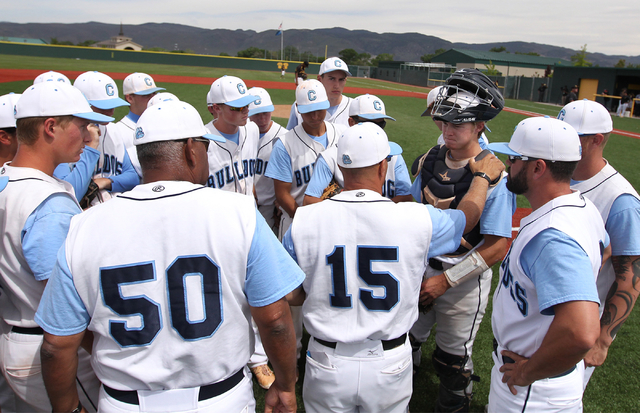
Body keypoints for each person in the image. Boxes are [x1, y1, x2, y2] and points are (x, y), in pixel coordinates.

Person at [35, 100, 303, 413]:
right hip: (219, 400)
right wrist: (285, 386)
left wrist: (67, 408)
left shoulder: (84, 224)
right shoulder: (238, 212)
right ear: (192, 149)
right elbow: (274, 321)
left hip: (125, 403)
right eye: (206, 147)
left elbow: (56, 345)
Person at [283, 122, 505, 413]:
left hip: (327, 362)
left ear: (340, 166)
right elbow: (468, 217)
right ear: (382, 168)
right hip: (388, 363)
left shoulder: (304, 220)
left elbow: (289, 294)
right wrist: (481, 178)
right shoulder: (416, 218)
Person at [0, 81, 113, 412]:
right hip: (52, 349)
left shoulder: (8, 178)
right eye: (80, 126)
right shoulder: (47, 201)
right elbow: (64, 298)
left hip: (17, 332)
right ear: (50, 127)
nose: (89, 135)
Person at [409, 68, 513, 412]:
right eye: (444, 122)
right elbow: (411, 207)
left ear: (479, 124)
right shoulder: (431, 158)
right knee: (405, 339)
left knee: (452, 360)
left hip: (463, 278)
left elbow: (498, 245)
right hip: (421, 269)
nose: (448, 130)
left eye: (458, 124)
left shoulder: (493, 174)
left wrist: (445, 281)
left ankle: (454, 403)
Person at [487, 116, 608, 412]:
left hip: (533, 389)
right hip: (539, 381)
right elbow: (605, 249)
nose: (507, 164)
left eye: (514, 158)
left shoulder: (553, 237)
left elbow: (581, 332)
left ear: (538, 168)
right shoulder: (580, 205)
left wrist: (528, 373)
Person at [557, 99, 640, 389]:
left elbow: (630, 276)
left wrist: (603, 339)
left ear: (597, 140)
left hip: (579, 322)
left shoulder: (620, 200)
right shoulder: (562, 174)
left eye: (571, 134)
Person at [266, 79, 347, 240]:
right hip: (296, 224)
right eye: (308, 110)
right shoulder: (284, 144)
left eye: (319, 109)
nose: (315, 116)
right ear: (298, 108)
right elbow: (282, 194)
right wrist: (307, 221)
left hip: (340, 223)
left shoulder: (343, 133)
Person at [303, 94, 413, 204]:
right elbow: (309, 200)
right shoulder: (329, 157)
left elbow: (406, 197)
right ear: (351, 122)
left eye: (380, 124)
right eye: (369, 123)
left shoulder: (394, 154)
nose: (374, 129)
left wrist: (372, 213)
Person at [72, 71, 140, 203]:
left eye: (112, 104)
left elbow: (132, 177)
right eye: (103, 107)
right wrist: (91, 149)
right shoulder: (65, 137)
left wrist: (104, 182)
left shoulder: (113, 130)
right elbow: (73, 191)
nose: (111, 111)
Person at [204, 75, 260, 195]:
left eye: (247, 104)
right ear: (217, 108)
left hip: (249, 210)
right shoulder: (202, 141)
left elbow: (250, 179)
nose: (246, 110)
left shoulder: (252, 130)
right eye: (238, 107)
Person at [249, 86, 287, 232]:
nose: (262, 119)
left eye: (266, 113)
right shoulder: (241, 133)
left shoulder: (284, 136)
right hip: (244, 206)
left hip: (270, 209)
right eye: (257, 114)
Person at [287, 57, 352, 129]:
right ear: (319, 79)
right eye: (331, 79)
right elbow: (289, 138)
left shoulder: (354, 107)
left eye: (341, 79)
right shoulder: (302, 105)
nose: (337, 85)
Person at [108, 72, 165, 149]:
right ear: (130, 98)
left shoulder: (163, 124)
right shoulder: (119, 132)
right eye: (146, 95)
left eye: (154, 93)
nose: (152, 98)